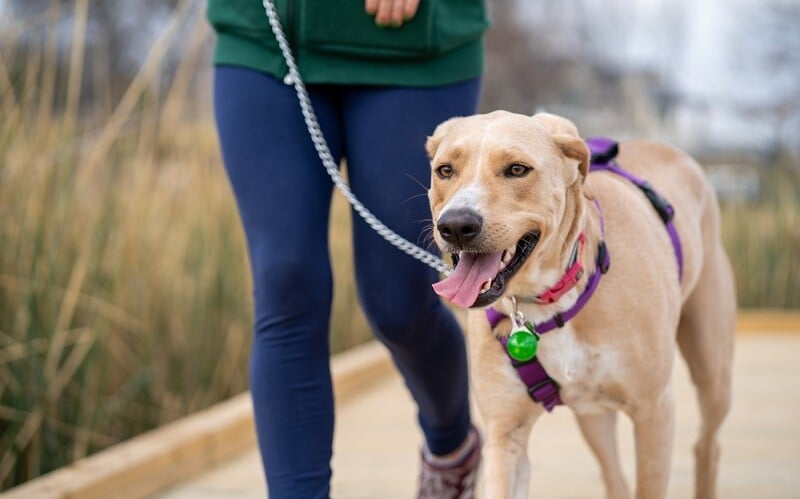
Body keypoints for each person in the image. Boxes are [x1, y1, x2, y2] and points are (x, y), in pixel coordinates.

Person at [206, 1, 488, 497]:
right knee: (286, 282)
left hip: (413, 46)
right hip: (265, 44)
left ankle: (452, 446)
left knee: (399, 303)